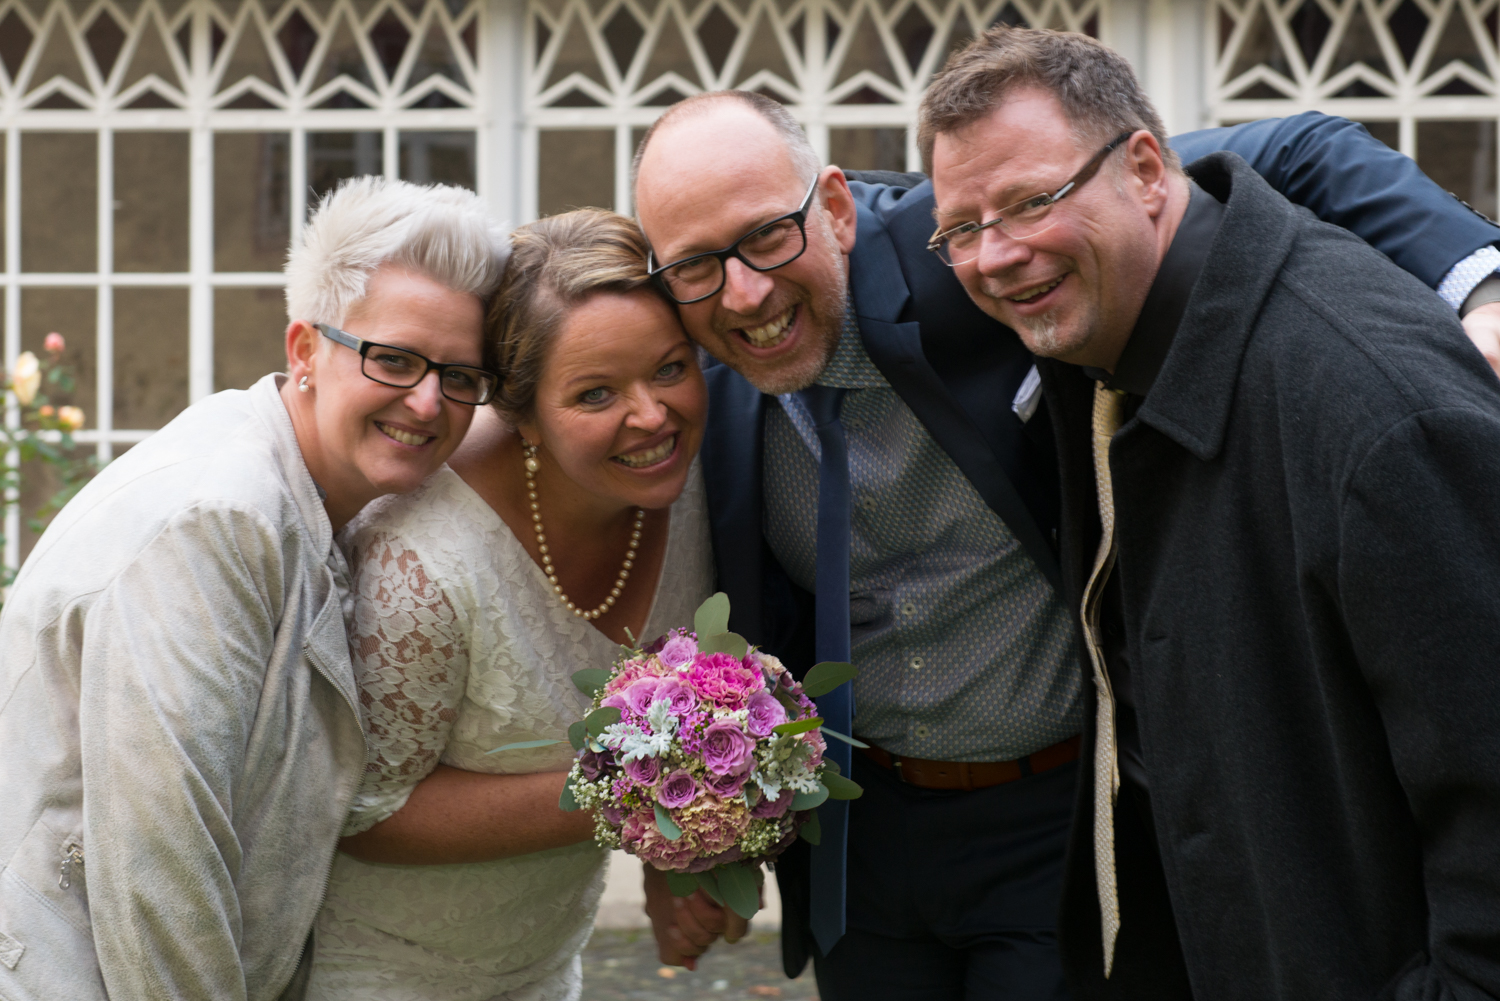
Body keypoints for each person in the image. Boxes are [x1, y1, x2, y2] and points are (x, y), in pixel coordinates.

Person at [629, 90, 1500, 999]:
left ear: (836, 208)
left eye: (770, 237)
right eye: (694, 265)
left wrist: (1482, 292)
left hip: (1059, 820)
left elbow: (1301, 147)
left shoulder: (974, 239)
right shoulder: (694, 368)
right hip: (861, 848)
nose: (744, 290)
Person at [922, 25, 1500, 1000]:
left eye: (1030, 201)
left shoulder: (1379, 412)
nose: (996, 255)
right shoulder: (1097, 341)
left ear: (1148, 169)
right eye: (961, 229)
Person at [0, 176, 506, 1000]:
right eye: (394, 359)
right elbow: (162, 875)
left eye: (460, 375)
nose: (428, 401)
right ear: (305, 350)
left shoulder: (318, 491)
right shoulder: (214, 521)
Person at [306, 209, 724, 1001]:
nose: (651, 415)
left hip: (546, 958)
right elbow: (365, 812)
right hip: (383, 965)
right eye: (595, 392)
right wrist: (640, 792)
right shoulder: (422, 560)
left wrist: (677, 860)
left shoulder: (694, 474)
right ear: (521, 414)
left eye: (670, 368)